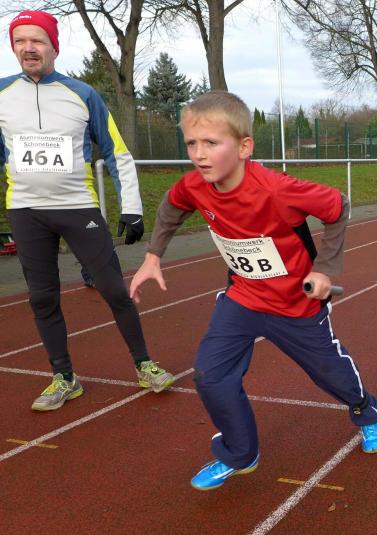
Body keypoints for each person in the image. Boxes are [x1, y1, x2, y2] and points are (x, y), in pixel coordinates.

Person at [129, 91, 377, 491]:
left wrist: (325, 269)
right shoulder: (194, 185)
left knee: (330, 375)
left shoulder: (276, 189)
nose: (199, 154)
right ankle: (240, 453)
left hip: (296, 305)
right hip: (242, 299)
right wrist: (153, 255)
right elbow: (171, 205)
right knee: (210, 375)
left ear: (244, 147)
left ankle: (365, 410)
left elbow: (338, 206)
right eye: (192, 143)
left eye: (211, 143)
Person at [0, 10, 175, 411]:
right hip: (26, 211)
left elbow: (117, 152)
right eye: (20, 41)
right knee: (42, 298)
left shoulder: (83, 94)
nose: (28, 48)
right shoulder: (2, 94)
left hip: (78, 207)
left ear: (54, 47)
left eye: (37, 40)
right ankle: (64, 378)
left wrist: (132, 208)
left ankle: (144, 365)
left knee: (114, 289)